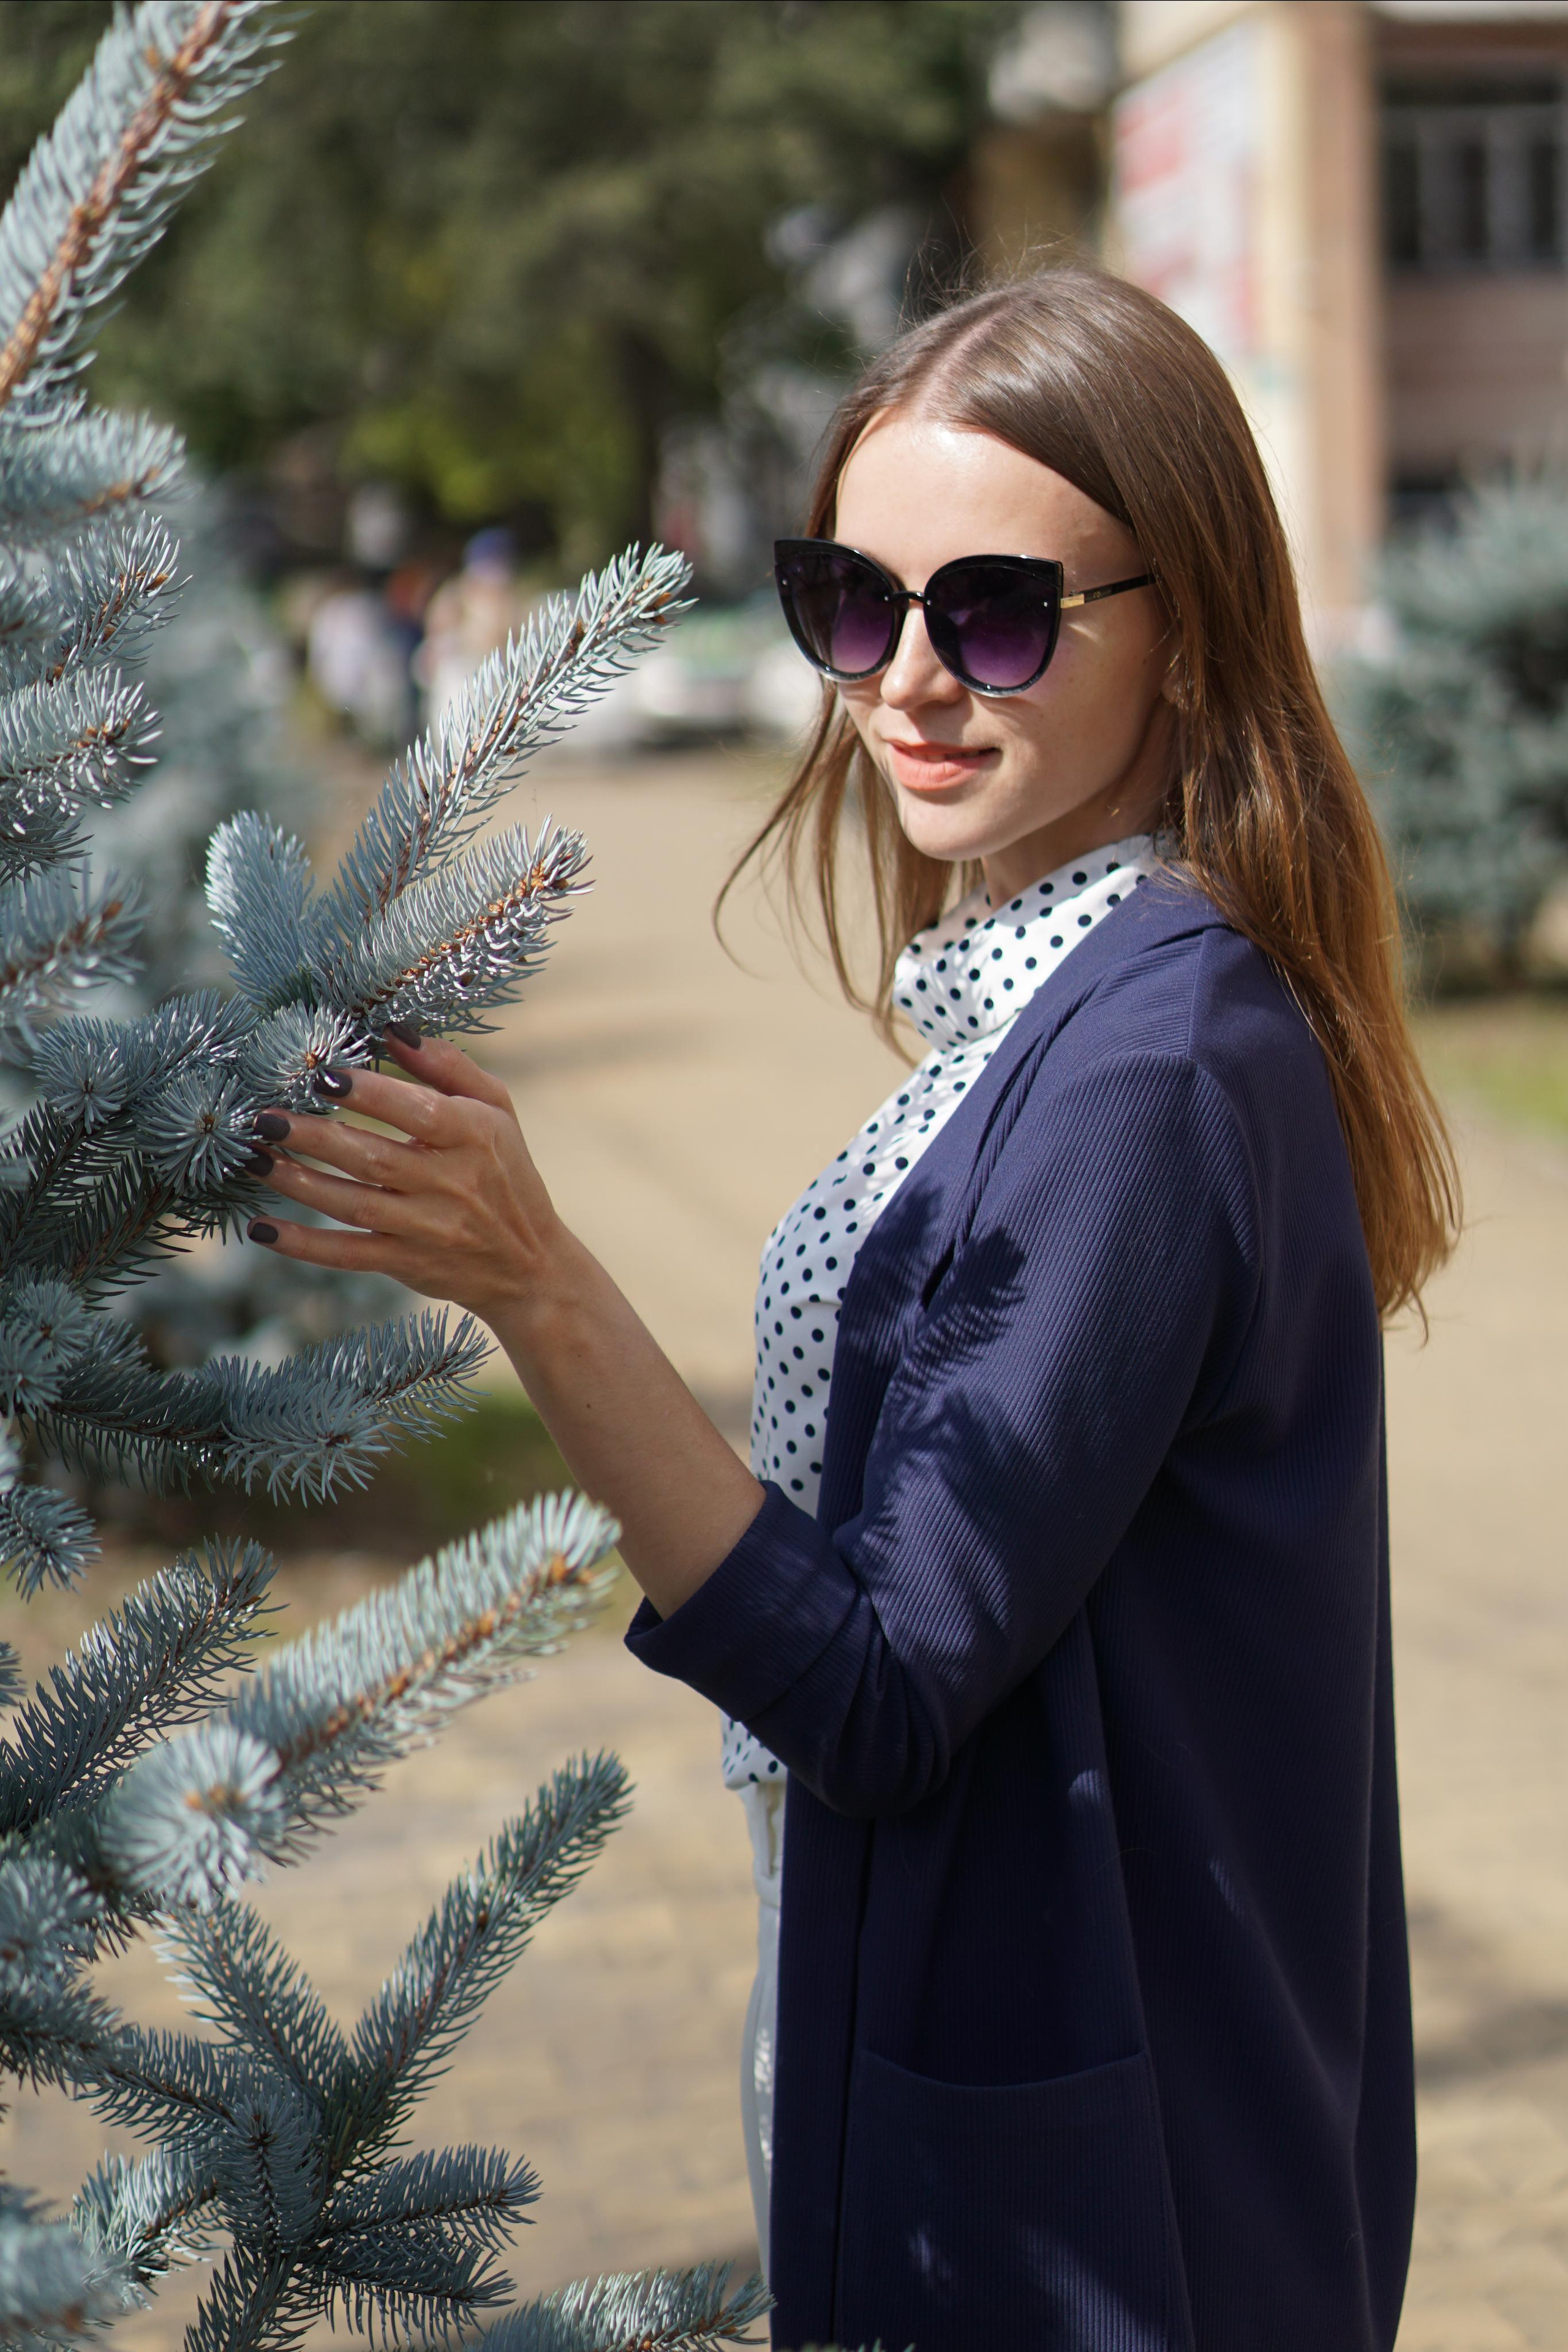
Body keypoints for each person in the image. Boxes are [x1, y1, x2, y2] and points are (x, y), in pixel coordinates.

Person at [243, 266, 1460, 2352]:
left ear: (1188, 633)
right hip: (1011, 2078)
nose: (907, 680)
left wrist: (540, 1281)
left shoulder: (1148, 1072)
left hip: (1116, 2206)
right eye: (850, 602)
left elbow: (884, 1683)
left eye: (997, 615)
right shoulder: (1068, 1002)